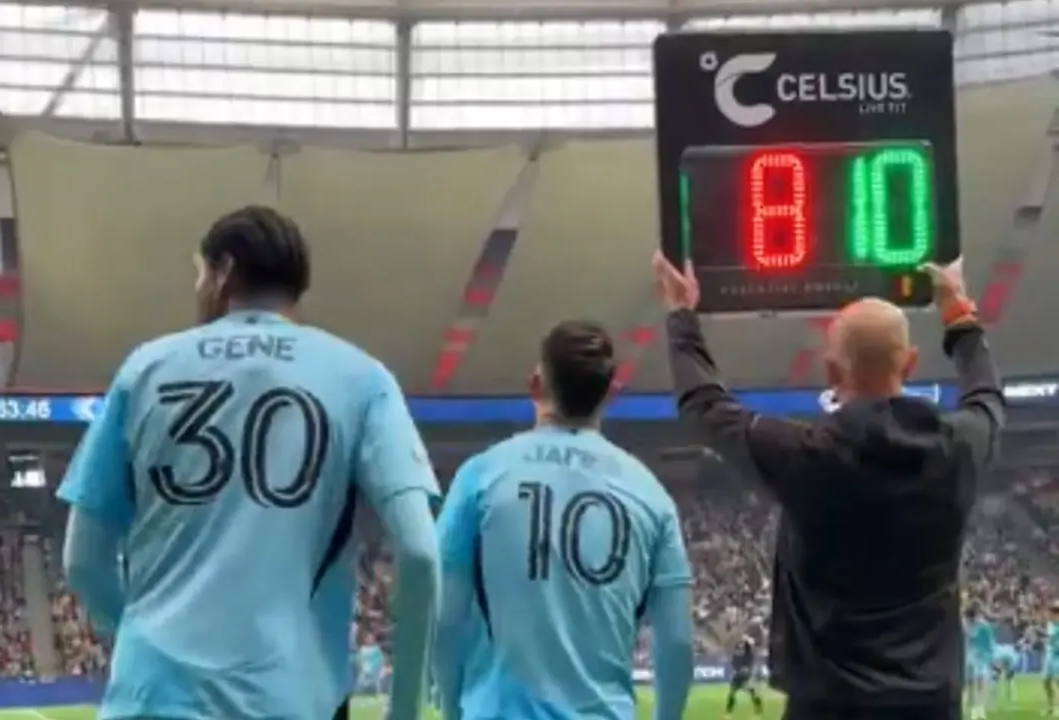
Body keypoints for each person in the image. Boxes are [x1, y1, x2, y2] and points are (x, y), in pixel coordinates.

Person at [58, 205, 442, 720]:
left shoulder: (145, 369)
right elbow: (420, 552)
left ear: (224, 272)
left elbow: (83, 561)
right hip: (291, 698)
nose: (199, 287)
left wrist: (139, 638)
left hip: (153, 696)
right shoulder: (362, 378)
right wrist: (405, 710)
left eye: (200, 273)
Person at [652, 252, 1005, 720]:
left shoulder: (805, 456)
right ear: (910, 364)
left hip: (826, 704)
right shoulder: (957, 448)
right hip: (929, 704)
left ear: (833, 373)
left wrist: (682, 316)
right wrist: (958, 314)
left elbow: (704, 405)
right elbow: (987, 397)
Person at [433, 320, 695, 720]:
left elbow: (444, 617)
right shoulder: (651, 496)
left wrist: (453, 709)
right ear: (611, 394)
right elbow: (676, 641)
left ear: (535, 384)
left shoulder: (481, 476)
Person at [963, 605, 995, 719]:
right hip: (973, 657)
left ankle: (979, 708)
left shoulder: (983, 625)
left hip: (980, 657)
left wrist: (990, 656)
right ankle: (975, 709)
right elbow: (971, 638)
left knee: (979, 683)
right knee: (973, 684)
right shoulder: (969, 624)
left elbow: (990, 642)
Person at [725, 633, 764, 720]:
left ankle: (758, 712)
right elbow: (734, 664)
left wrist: (746, 638)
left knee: (752, 692)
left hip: (746, 675)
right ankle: (728, 714)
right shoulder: (739, 655)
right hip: (740, 675)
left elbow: (748, 645)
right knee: (733, 693)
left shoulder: (749, 653)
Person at [989, 640, 1019, 707]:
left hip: (1002, 657)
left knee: (995, 679)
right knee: (1009, 680)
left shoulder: (995, 650)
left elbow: (994, 662)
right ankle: (1011, 698)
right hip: (1010, 657)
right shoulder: (1011, 651)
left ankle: (993, 699)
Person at [1045, 601, 1059, 716]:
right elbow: (1050, 639)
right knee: (1046, 681)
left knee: (1057, 681)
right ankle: (1051, 706)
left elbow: (1051, 639)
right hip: (1050, 654)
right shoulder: (1050, 624)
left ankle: (1056, 708)